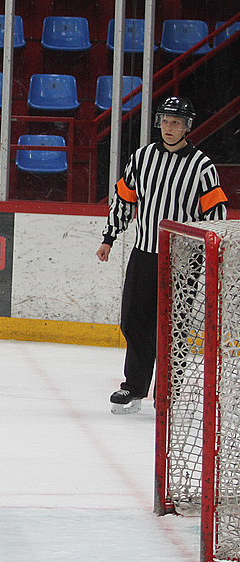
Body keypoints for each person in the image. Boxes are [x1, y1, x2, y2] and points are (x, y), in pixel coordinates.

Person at [97, 97, 228, 415]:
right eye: (165, 121)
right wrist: (109, 238)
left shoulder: (202, 166)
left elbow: (216, 213)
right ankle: (134, 386)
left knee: (175, 325)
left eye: (176, 123)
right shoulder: (142, 158)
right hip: (143, 253)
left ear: (187, 127)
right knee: (134, 320)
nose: (169, 128)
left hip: (183, 260)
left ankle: (169, 390)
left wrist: (210, 251)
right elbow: (124, 201)